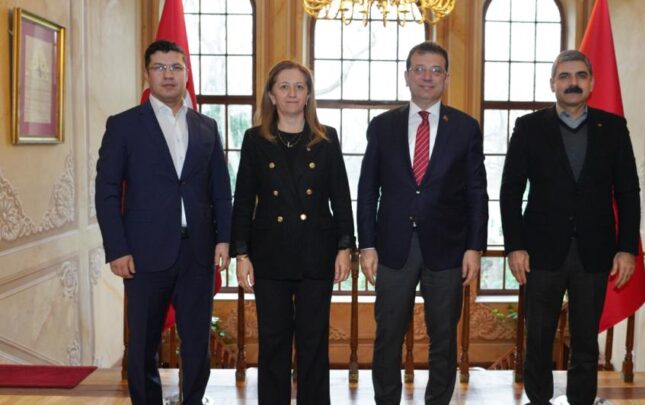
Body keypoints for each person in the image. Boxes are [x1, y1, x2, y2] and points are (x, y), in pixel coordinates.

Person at [500, 49, 641, 405]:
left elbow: (628, 192)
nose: (572, 82)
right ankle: (539, 400)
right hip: (541, 252)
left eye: (580, 75)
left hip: (595, 252)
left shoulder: (613, 128)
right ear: (553, 84)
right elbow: (510, 190)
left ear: (592, 83)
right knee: (539, 338)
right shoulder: (529, 127)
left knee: (585, 342)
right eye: (564, 76)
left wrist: (627, 248)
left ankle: (581, 400)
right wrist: (514, 246)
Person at [95, 40, 232, 404]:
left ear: (186, 73)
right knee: (142, 346)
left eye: (175, 67)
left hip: (198, 254)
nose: (168, 75)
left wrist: (224, 238)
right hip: (143, 255)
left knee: (197, 345)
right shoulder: (124, 125)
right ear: (148, 74)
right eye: (159, 67)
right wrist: (117, 248)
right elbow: (107, 191)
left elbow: (221, 190)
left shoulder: (206, 126)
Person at [357, 41, 488, 405]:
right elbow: (367, 190)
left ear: (446, 77)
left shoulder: (465, 127)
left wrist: (475, 247)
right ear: (406, 76)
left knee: (443, 338)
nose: (427, 77)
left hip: (447, 250)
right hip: (392, 248)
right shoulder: (383, 126)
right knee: (388, 336)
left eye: (435, 70)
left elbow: (477, 191)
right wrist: (366, 245)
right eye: (419, 69)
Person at [230, 60, 354, 405]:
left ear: (309, 94)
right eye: (283, 86)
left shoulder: (326, 138)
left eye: (300, 86)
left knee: (314, 343)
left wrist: (345, 247)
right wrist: (242, 254)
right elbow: (243, 200)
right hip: (270, 254)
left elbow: (341, 197)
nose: (292, 93)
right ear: (271, 95)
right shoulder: (255, 139)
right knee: (273, 343)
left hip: (317, 252)